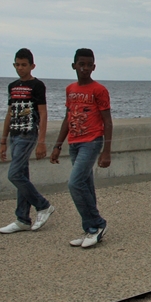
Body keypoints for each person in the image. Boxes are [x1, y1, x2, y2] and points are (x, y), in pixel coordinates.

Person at [50, 48, 112, 248]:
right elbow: (67, 118)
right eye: (81, 64)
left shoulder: (99, 90)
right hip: (74, 142)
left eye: (89, 65)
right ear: (74, 66)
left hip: (92, 141)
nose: (85, 68)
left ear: (94, 67)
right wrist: (58, 145)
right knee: (85, 184)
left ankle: (98, 224)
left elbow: (107, 121)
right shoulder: (70, 89)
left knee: (74, 183)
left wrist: (106, 151)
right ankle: (90, 228)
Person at [0, 48, 55, 234]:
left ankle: (43, 205)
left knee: (14, 174)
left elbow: (43, 113)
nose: (20, 68)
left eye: (24, 65)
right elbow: (9, 113)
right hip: (14, 134)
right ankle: (22, 218)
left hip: (28, 134)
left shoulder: (37, 85)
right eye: (17, 65)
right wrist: (3, 141)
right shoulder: (12, 86)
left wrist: (41, 141)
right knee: (21, 174)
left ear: (32, 66)